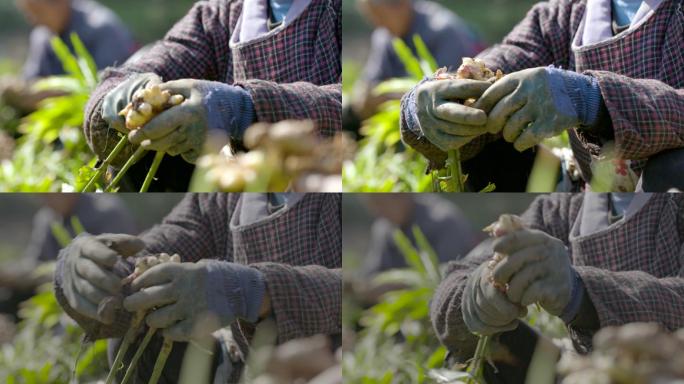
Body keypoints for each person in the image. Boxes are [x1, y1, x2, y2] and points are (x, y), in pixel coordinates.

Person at [53, 193, 341, 383]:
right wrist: (93, 272)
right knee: (140, 320)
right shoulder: (226, 189)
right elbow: (165, 241)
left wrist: (253, 290)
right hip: (239, 370)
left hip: (329, 364)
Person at [400, 0, 684, 192]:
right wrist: (426, 105)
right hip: (592, 194)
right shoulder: (565, 15)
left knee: (673, 168)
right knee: (479, 135)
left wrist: (588, 98)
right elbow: (499, 65)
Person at [85, 0, 342, 191]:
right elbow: (163, 58)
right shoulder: (220, 14)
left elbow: (349, 109)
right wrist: (120, 94)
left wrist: (242, 108)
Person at [430, 193, 684, 382]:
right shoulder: (565, 206)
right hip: (580, 373)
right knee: (479, 350)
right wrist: (475, 294)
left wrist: (579, 292)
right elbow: (454, 282)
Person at [0, 194, 135, 319]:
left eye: (49, 195)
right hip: (55, 287)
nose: (45, 201)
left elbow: (120, 264)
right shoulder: (47, 218)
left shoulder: (106, 211)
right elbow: (35, 263)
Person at [350, 0, 483, 122]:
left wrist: (385, 99)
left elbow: (446, 92)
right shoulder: (384, 36)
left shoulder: (443, 30)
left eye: (380, 16)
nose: (377, 24)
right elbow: (370, 81)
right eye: (372, 18)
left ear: (402, 4)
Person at [0, 0, 135, 114]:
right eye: (28, 14)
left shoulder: (102, 29)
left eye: (38, 12)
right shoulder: (42, 35)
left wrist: (46, 97)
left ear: (60, 3)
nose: (34, 21)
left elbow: (109, 89)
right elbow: (32, 80)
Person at [361, 194, 479, 276]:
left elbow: (449, 273)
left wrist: (400, 287)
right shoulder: (383, 228)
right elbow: (373, 272)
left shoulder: (444, 220)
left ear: (401, 196)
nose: (377, 212)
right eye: (372, 206)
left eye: (380, 204)